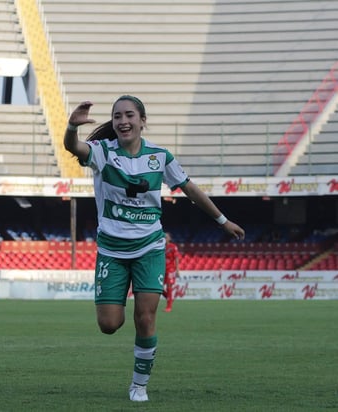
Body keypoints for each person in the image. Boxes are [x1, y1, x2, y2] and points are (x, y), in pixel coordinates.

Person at [64, 96, 245, 402]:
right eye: (118, 116)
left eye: (129, 115)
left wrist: (222, 220)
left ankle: (139, 386)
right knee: (109, 324)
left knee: (145, 318)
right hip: (112, 250)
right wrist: (72, 126)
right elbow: (74, 147)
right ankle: (131, 361)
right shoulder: (103, 153)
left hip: (150, 248)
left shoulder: (160, 156)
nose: (123, 121)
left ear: (142, 120)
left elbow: (189, 189)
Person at [162, 232, 180, 312]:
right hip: (162, 270)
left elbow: (176, 258)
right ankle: (169, 299)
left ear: (169, 238)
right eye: (164, 237)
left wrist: (177, 270)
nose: (164, 238)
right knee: (159, 288)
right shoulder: (160, 247)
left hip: (170, 270)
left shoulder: (173, 247)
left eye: (166, 237)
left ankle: (169, 306)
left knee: (169, 287)